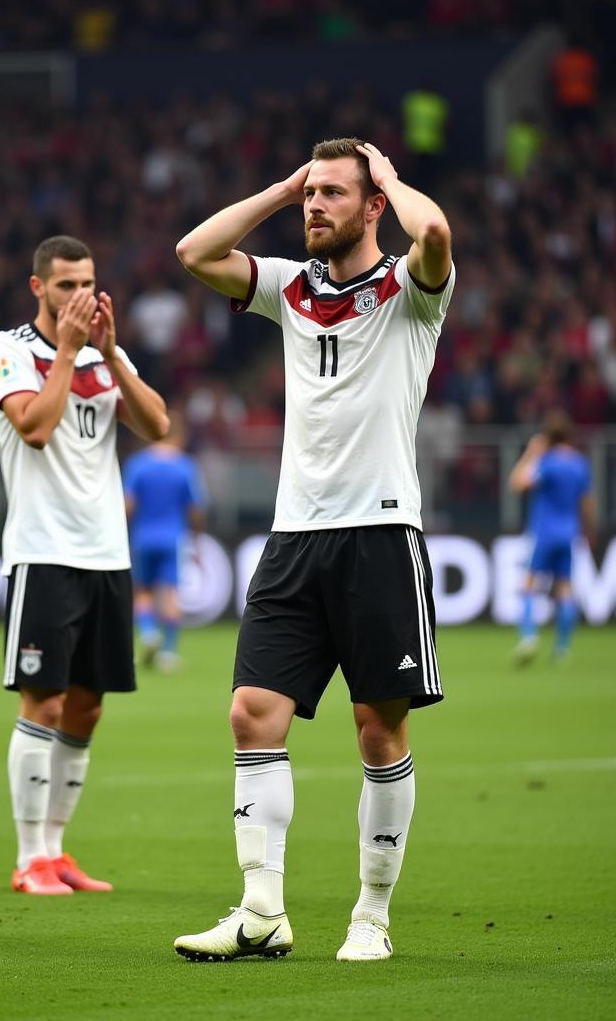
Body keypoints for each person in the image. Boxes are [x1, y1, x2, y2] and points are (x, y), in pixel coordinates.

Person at [171, 138, 454, 962]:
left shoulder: (408, 290)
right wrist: (284, 185)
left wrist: (389, 178)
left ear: (373, 207)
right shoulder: (290, 286)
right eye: (310, 195)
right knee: (251, 714)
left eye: (334, 194)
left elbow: (434, 235)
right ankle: (262, 912)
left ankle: (372, 916)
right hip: (294, 535)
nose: (315, 207)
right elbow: (195, 252)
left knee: (378, 729)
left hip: (379, 532)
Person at [0, 235, 169, 895]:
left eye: (87, 284)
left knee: (87, 708)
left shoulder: (103, 358)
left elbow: (156, 425)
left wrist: (112, 351)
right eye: (66, 286)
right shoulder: (10, 350)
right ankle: (28, 855)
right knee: (46, 700)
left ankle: (57, 850)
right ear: (38, 288)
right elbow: (34, 426)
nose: (79, 298)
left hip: (106, 553)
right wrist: (66, 350)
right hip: (44, 551)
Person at [508, 411, 595, 664]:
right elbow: (587, 502)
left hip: (544, 532)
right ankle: (562, 648)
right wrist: (589, 529)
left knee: (528, 585)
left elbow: (517, 483)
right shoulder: (580, 463)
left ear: (547, 436)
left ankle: (529, 637)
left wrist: (531, 453)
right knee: (565, 589)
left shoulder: (547, 461)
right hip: (569, 532)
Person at [122, 410, 206, 671]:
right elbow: (195, 509)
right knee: (170, 594)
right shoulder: (185, 466)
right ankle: (168, 652)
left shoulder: (137, 464)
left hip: (143, 536)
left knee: (143, 591)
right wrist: (196, 536)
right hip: (173, 537)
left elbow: (128, 505)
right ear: (179, 436)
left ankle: (148, 633)